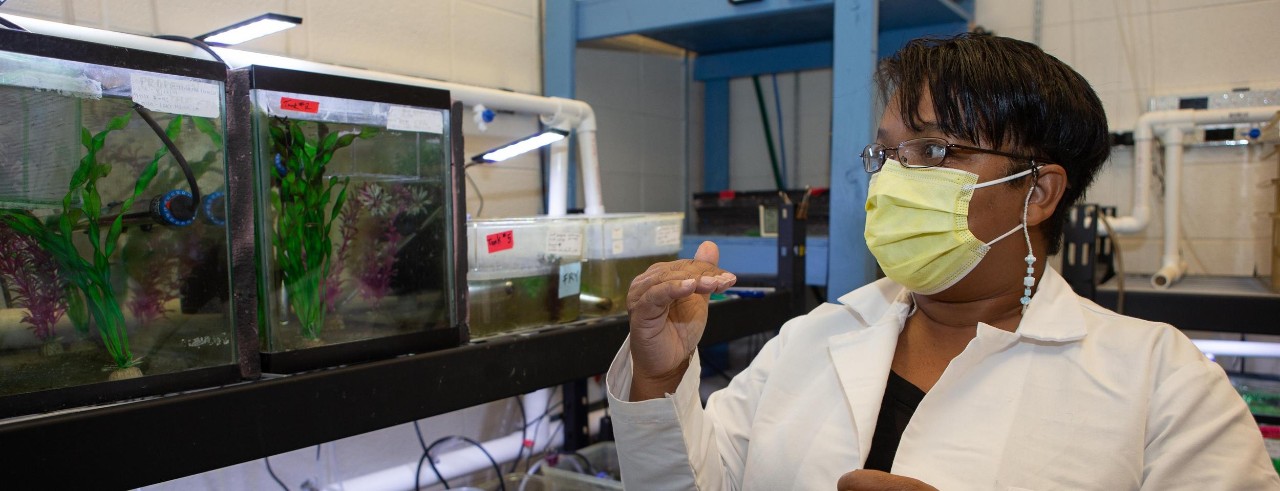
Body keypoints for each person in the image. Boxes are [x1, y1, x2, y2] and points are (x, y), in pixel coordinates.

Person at [605, 33, 1280, 490]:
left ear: (1038, 192)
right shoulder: (813, 339)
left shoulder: (1164, 383)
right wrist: (660, 378)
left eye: (932, 151)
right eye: (887, 153)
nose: (894, 179)